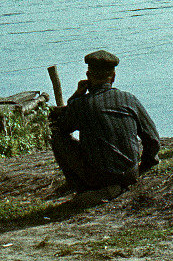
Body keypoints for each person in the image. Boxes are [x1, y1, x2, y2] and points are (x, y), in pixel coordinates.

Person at [48, 50, 160, 192]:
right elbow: (153, 139)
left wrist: (75, 96)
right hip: (130, 175)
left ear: (88, 76)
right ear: (113, 76)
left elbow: (61, 126)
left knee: (58, 138)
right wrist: (144, 166)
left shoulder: (80, 104)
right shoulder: (129, 99)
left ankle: (80, 188)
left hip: (98, 179)